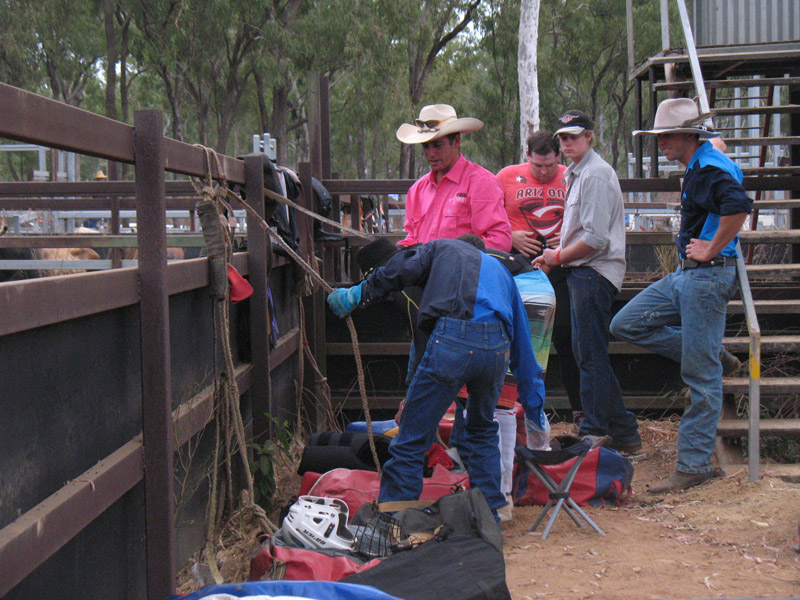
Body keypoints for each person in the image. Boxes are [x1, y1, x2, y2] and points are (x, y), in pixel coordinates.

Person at [327, 236, 550, 521]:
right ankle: (491, 512)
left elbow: (399, 269)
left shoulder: (441, 248)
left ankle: (395, 518)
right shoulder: (503, 274)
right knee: (481, 431)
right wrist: (534, 412)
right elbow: (524, 351)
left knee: (411, 439)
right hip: (496, 349)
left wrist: (358, 294)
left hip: (453, 338)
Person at [610, 98, 752, 493]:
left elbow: (739, 206)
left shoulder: (707, 170)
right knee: (626, 323)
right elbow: (724, 172)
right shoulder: (706, 161)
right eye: (660, 137)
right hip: (688, 276)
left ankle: (693, 466)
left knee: (700, 376)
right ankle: (713, 352)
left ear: (690, 135)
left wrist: (710, 247)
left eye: (667, 136)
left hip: (705, 274)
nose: (662, 144)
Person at [533, 110, 641, 453]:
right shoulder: (580, 174)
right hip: (585, 271)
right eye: (563, 138)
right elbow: (590, 234)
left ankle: (595, 430)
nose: (566, 144)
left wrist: (558, 256)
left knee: (590, 355)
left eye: (573, 137)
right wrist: (561, 251)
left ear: (589, 137)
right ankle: (623, 430)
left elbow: (596, 240)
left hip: (593, 272)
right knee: (587, 354)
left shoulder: (593, 175)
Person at [497, 131, 583, 428]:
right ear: (527, 157)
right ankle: (512, 411)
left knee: (567, 336)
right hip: (519, 263)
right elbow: (488, 218)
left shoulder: (573, 176)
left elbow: (592, 219)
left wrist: (569, 239)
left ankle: (580, 412)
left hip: (562, 264)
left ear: (559, 156)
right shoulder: (507, 177)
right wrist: (510, 235)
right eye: (538, 167)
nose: (544, 173)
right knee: (516, 336)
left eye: (549, 166)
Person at [395, 104, 512, 251]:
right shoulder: (418, 189)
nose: (431, 153)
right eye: (425, 146)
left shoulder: (481, 183)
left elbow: (500, 240)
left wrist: (456, 257)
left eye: (437, 145)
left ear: (456, 142)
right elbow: (413, 237)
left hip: (463, 271)